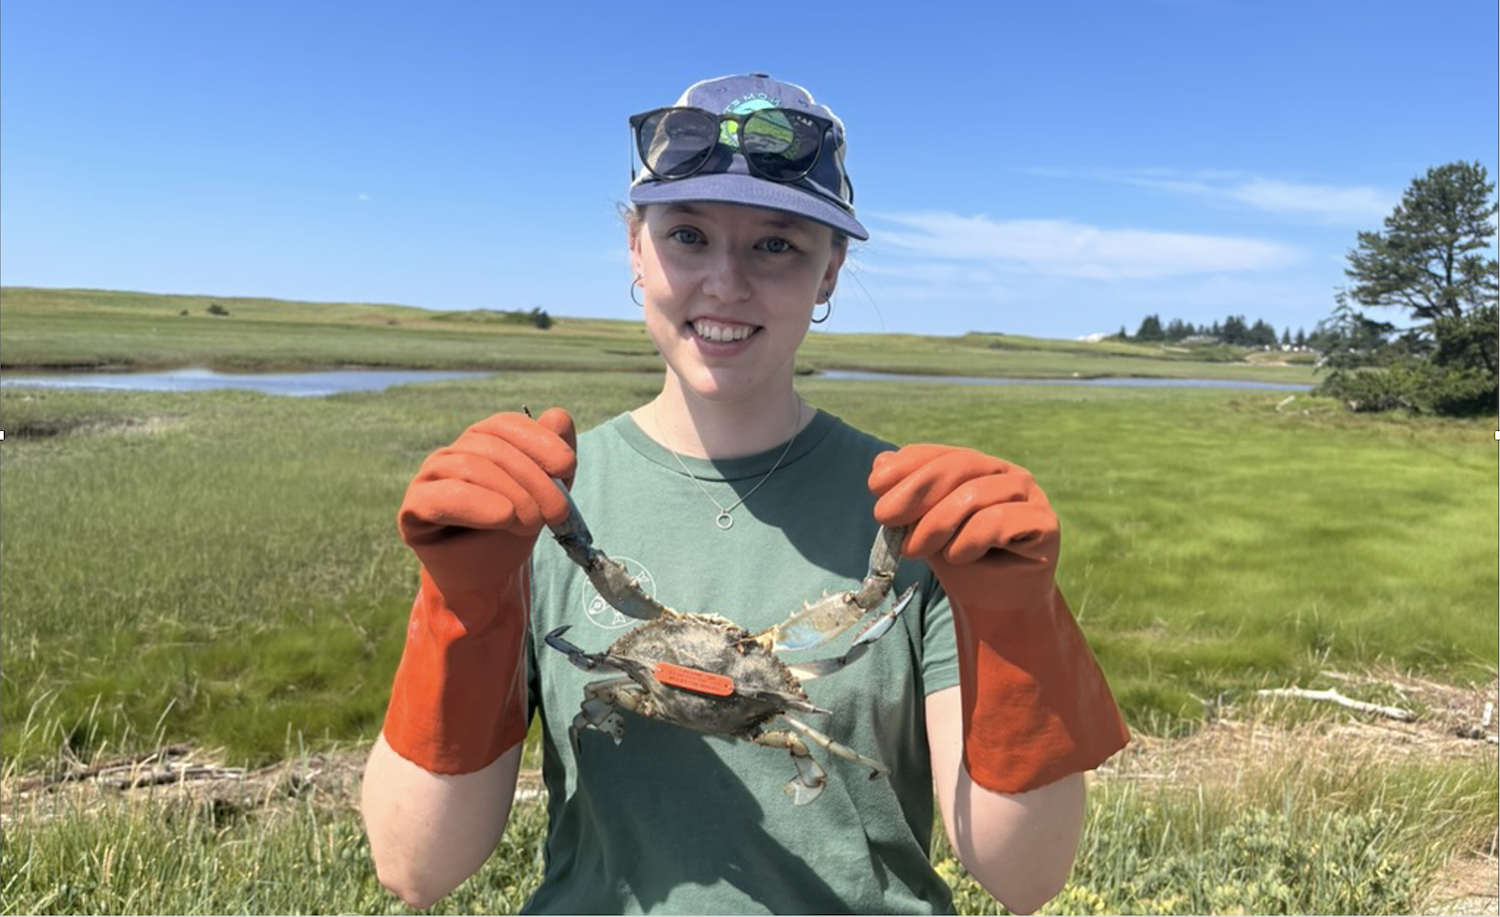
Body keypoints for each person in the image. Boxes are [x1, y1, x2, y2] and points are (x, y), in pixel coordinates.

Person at [360, 72, 1129, 915]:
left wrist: (1016, 626)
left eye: (777, 245)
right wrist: (458, 609)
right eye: (687, 234)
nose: (726, 282)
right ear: (635, 248)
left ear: (830, 271)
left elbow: (1027, 878)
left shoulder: (923, 520)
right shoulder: (535, 503)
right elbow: (415, 866)